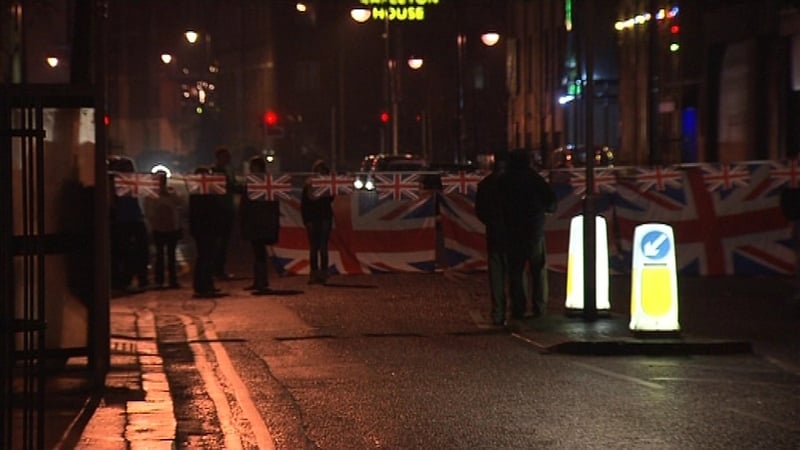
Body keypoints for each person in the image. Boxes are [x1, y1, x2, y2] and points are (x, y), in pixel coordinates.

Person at [500, 148, 557, 321]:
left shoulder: (505, 180)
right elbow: (552, 204)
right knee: (538, 270)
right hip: (534, 230)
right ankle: (539, 307)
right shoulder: (536, 180)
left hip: (512, 230)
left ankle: (519, 308)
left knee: (516, 271)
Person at [475, 150, 512, 326]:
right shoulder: (515, 184)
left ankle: (498, 313)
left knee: (496, 275)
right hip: (515, 233)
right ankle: (517, 311)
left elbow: (480, 211)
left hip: (495, 232)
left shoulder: (486, 184)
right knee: (516, 274)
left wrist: (491, 221)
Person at [109, 156, 150, 292]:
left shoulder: (134, 182)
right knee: (127, 252)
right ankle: (127, 280)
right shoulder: (114, 182)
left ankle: (141, 279)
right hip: (123, 220)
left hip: (135, 218)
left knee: (141, 250)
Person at [240, 156, 281, 295]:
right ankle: (260, 280)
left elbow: (245, 203)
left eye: (252, 167)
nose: (251, 169)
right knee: (258, 252)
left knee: (259, 252)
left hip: (257, 221)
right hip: (262, 221)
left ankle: (261, 281)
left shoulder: (255, 183)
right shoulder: (269, 182)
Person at [189, 167, 227, 298]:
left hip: (207, 229)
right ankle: (202, 286)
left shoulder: (200, 195)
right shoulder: (198, 195)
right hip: (205, 230)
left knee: (207, 258)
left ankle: (206, 284)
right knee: (205, 257)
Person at [143, 170, 184, 289]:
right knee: (160, 256)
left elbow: (180, 203)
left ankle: (172, 280)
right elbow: (149, 212)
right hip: (158, 228)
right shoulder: (151, 195)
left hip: (172, 228)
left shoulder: (171, 192)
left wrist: (170, 195)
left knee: (171, 256)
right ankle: (159, 280)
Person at [301, 159, 335, 284]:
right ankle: (314, 273)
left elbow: (331, 198)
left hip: (325, 217)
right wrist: (306, 220)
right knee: (314, 247)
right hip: (313, 218)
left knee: (323, 247)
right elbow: (304, 204)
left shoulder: (327, 185)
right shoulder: (308, 185)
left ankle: (323, 274)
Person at [210, 146, 239, 280]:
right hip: (219, 209)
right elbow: (229, 186)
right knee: (219, 241)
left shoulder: (229, 170)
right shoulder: (215, 171)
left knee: (224, 241)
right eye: (226, 156)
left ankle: (219, 268)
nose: (228, 158)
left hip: (228, 207)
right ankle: (217, 269)